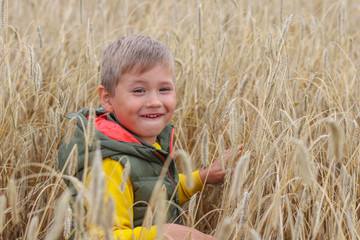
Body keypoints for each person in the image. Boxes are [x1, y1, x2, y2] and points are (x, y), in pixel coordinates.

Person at [58, 35, 240, 240]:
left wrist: (202, 177)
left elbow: (157, 192)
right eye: (139, 90)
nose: (154, 101)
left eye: (164, 89)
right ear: (107, 99)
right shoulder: (111, 166)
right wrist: (163, 234)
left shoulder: (143, 145)